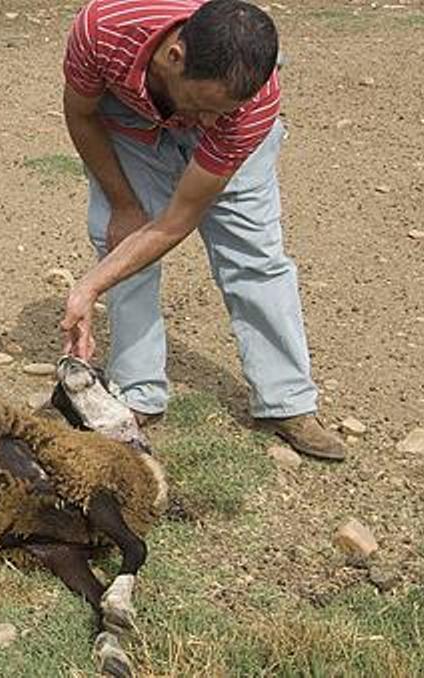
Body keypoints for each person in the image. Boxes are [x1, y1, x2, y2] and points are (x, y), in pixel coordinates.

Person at [58, 0, 346, 460]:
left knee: (254, 256)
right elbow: (81, 113)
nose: (207, 125)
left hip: (234, 138)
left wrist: (87, 287)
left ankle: (286, 401)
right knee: (122, 244)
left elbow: (178, 220)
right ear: (175, 56)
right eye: (204, 106)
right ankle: (136, 394)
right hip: (131, 118)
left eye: (223, 111)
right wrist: (124, 204)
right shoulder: (104, 30)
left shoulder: (248, 104)